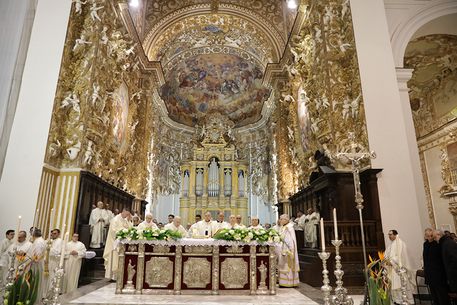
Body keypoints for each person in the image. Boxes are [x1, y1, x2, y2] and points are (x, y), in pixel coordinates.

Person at [385, 230, 416, 304]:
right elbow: (386, 254)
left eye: (391, 234)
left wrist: (392, 262)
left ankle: (404, 301)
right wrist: (386, 260)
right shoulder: (390, 244)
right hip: (391, 269)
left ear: (396, 235)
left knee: (401, 285)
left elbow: (401, 255)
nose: (389, 236)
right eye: (388, 234)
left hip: (398, 269)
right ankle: (395, 301)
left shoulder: (401, 244)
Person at [103, 208, 132, 280]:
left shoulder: (125, 220)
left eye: (128, 215)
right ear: (123, 212)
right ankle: (112, 277)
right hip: (114, 243)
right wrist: (122, 231)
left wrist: (129, 220)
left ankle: (119, 276)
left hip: (122, 242)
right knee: (114, 259)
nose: (127, 216)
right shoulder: (115, 219)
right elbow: (113, 231)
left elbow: (129, 229)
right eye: (126, 214)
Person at [423, 228, 449, 305]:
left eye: (431, 236)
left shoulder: (437, 244)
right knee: (434, 295)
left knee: (441, 294)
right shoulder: (425, 244)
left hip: (438, 274)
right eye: (428, 236)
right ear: (425, 236)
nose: (430, 238)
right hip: (430, 273)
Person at [276, 214, 299, 287]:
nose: (280, 220)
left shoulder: (289, 228)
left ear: (286, 219)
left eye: (281, 219)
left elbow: (289, 240)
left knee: (287, 266)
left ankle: (287, 283)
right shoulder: (284, 227)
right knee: (283, 266)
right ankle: (282, 282)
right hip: (282, 249)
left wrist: (286, 251)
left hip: (287, 251)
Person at [26, 229, 47, 301]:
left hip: (35, 265)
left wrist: (28, 259)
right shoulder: (41, 240)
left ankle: (34, 299)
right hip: (37, 264)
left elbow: (37, 256)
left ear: (33, 235)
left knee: (34, 282)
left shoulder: (38, 242)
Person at [45, 228, 63, 293]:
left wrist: (51, 249)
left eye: (55, 234)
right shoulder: (49, 241)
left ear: (58, 234)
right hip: (47, 261)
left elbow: (60, 252)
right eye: (52, 234)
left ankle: (51, 291)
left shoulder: (61, 241)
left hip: (54, 261)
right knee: (46, 277)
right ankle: (45, 292)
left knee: (52, 276)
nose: (53, 235)